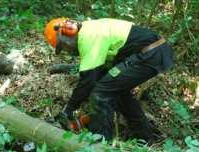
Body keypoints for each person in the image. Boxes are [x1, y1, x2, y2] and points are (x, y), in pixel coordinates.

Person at [44, 18, 174, 143]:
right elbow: (97, 72)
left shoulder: (89, 37)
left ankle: (100, 141)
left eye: (64, 45)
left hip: (150, 53)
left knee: (100, 92)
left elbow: (88, 81)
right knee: (117, 91)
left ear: (68, 31)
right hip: (153, 52)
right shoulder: (90, 29)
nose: (68, 50)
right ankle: (145, 137)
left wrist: (68, 109)